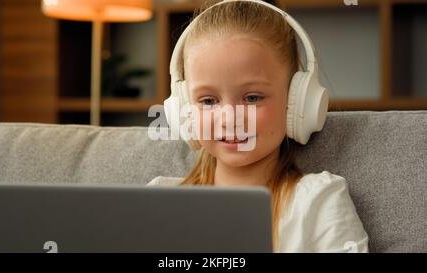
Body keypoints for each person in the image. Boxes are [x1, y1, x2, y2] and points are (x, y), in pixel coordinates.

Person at [148, 0, 369, 253]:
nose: (229, 119)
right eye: (208, 100)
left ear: (297, 102)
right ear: (183, 108)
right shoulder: (158, 198)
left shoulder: (317, 200)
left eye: (252, 98)